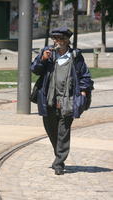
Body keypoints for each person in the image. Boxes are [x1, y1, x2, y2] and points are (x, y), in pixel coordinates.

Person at [31, 27, 94, 175]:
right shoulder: (47, 54)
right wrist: (42, 60)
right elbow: (34, 70)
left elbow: (85, 76)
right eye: (55, 39)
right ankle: (58, 154)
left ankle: (59, 163)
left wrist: (83, 92)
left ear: (67, 41)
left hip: (68, 100)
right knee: (51, 130)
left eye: (61, 39)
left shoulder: (76, 56)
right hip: (49, 100)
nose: (57, 42)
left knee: (63, 132)